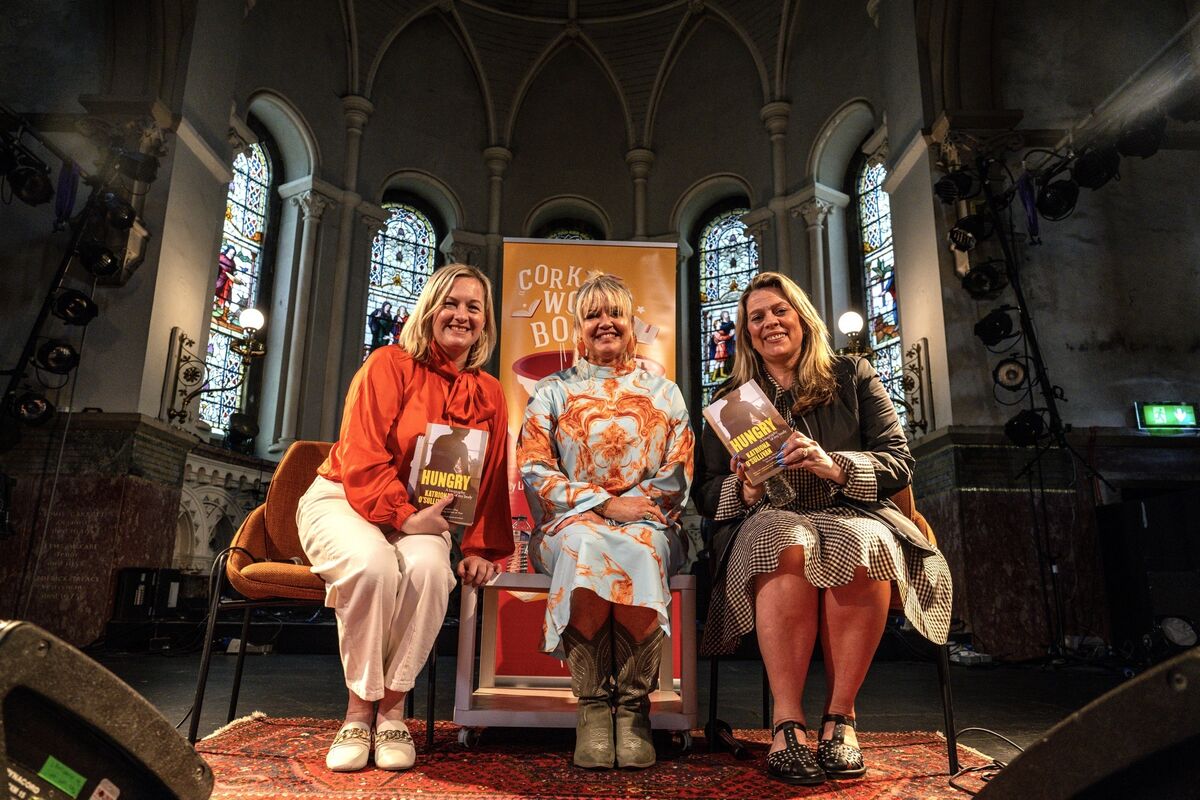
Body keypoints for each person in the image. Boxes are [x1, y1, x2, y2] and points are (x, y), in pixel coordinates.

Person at [695, 271, 952, 786]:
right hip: (766, 513)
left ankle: (840, 719)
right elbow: (703, 490)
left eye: (779, 311)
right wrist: (744, 490)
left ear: (802, 317)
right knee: (783, 539)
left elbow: (899, 462)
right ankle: (786, 722)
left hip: (850, 508)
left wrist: (834, 464)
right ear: (746, 334)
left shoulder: (853, 375)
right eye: (756, 318)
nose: (769, 323)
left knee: (867, 541)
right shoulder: (731, 400)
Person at [297, 264, 512, 773]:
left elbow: (493, 472)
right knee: (374, 565)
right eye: (451, 303)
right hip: (345, 497)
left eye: (473, 307)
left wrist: (482, 546)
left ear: (485, 322)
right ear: (430, 309)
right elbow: (362, 455)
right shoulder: (387, 364)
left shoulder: (491, 393)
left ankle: (393, 709)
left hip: (418, 515)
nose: (461, 315)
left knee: (431, 571)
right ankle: (357, 711)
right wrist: (403, 515)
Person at [517, 273, 694, 770]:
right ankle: (594, 706)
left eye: (614, 313)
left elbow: (678, 470)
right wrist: (601, 504)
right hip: (566, 524)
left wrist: (634, 507)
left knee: (639, 547)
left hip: (650, 520)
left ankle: (633, 708)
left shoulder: (665, 392)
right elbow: (533, 465)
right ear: (578, 327)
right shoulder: (553, 391)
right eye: (593, 314)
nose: (605, 323)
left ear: (631, 322)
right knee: (585, 546)